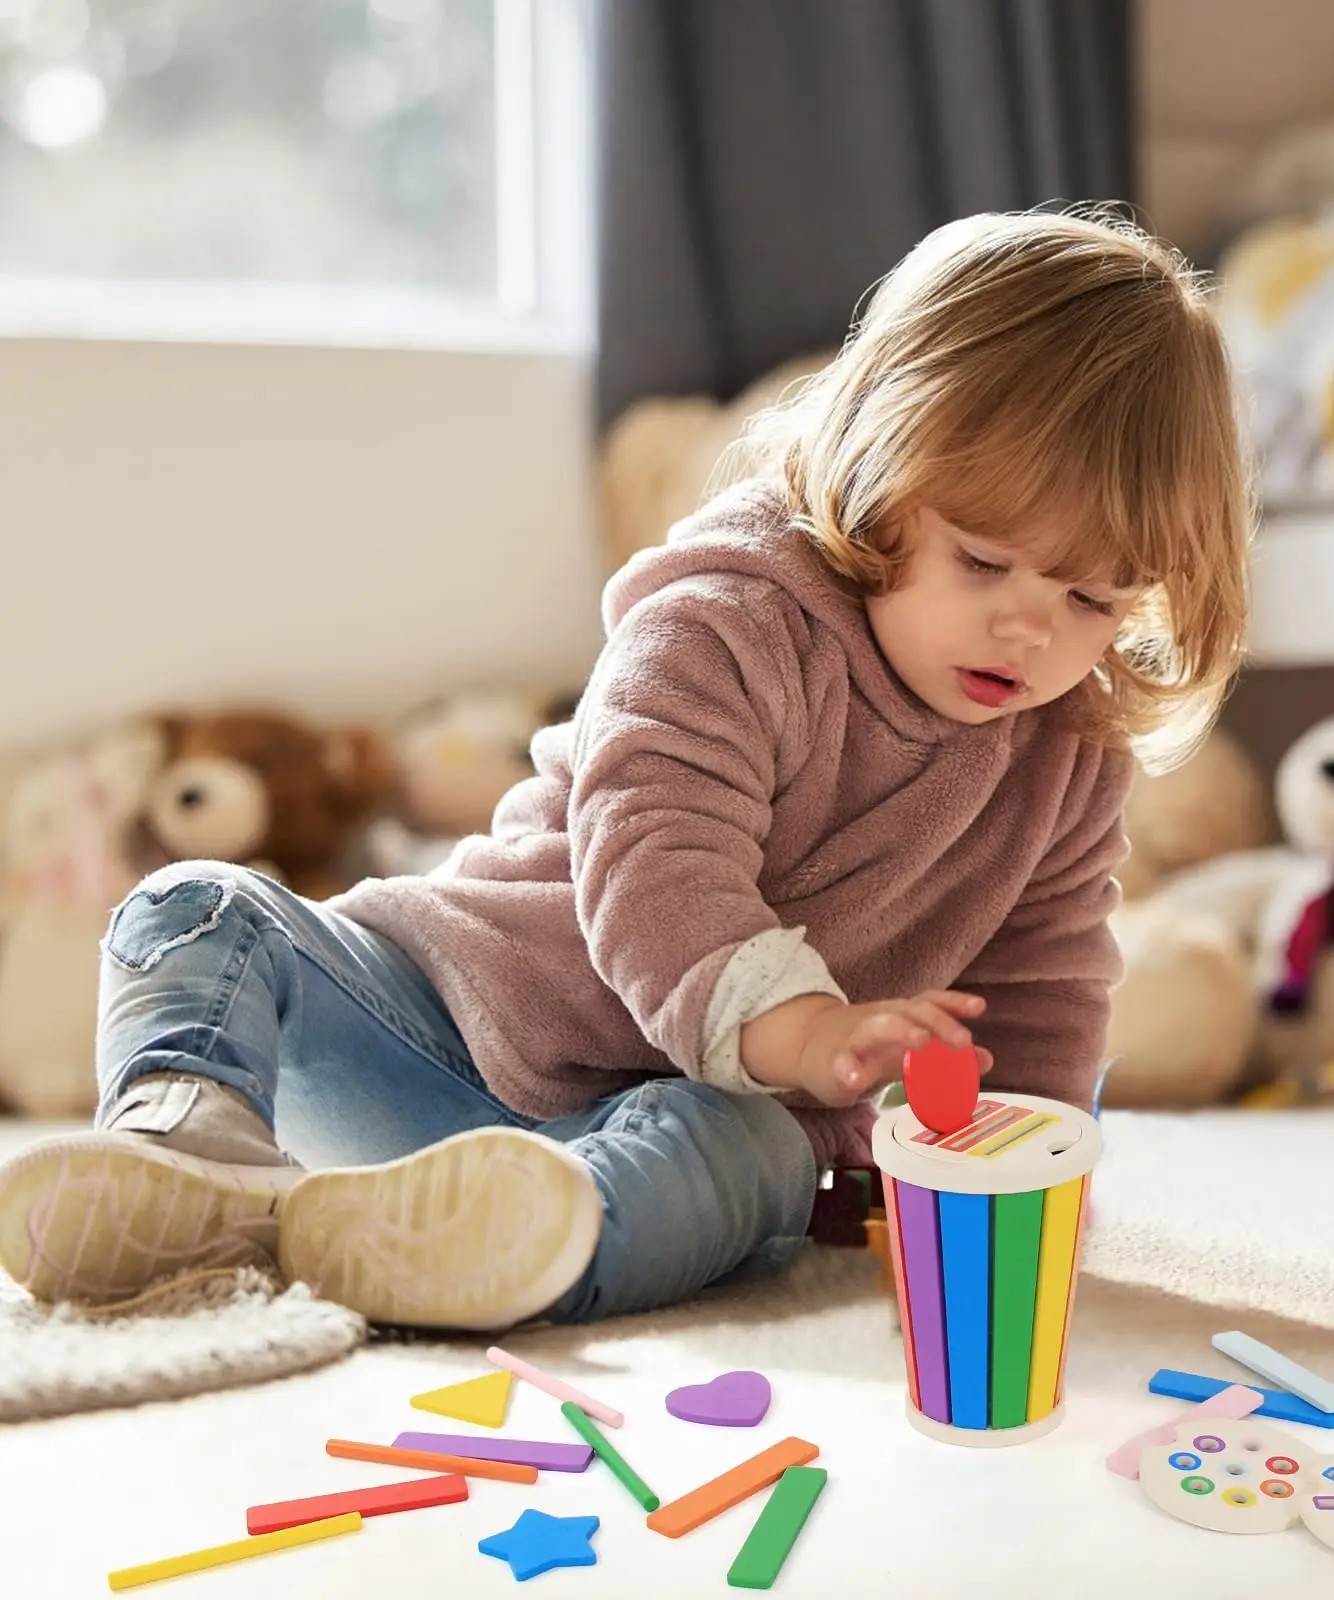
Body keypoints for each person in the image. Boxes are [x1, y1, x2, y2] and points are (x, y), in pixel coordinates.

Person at [0, 209, 1251, 1332]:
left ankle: (501, 1246)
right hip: (444, 1028)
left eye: (1091, 597)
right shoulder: (729, 618)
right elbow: (657, 845)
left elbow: (1037, 993)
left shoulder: (1066, 755)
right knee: (195, 906)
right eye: (983, 563)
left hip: (647, 1130)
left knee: (752, 1157)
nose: (1029, 631)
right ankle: (191, 1150)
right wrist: (797, 1025)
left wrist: (1016, 1179)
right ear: (881, 484)